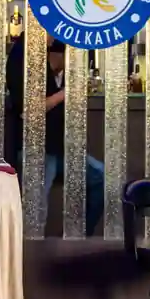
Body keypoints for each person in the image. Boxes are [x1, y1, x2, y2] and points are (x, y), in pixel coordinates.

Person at [42, 41, 105, 237]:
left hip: (62, 150)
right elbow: (34, 108)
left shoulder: (66, 76)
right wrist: (65, 94)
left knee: (102, 177)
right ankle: (31, 242)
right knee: (37, 200)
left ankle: (81, 234)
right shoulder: (39, 74)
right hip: (41, 149)